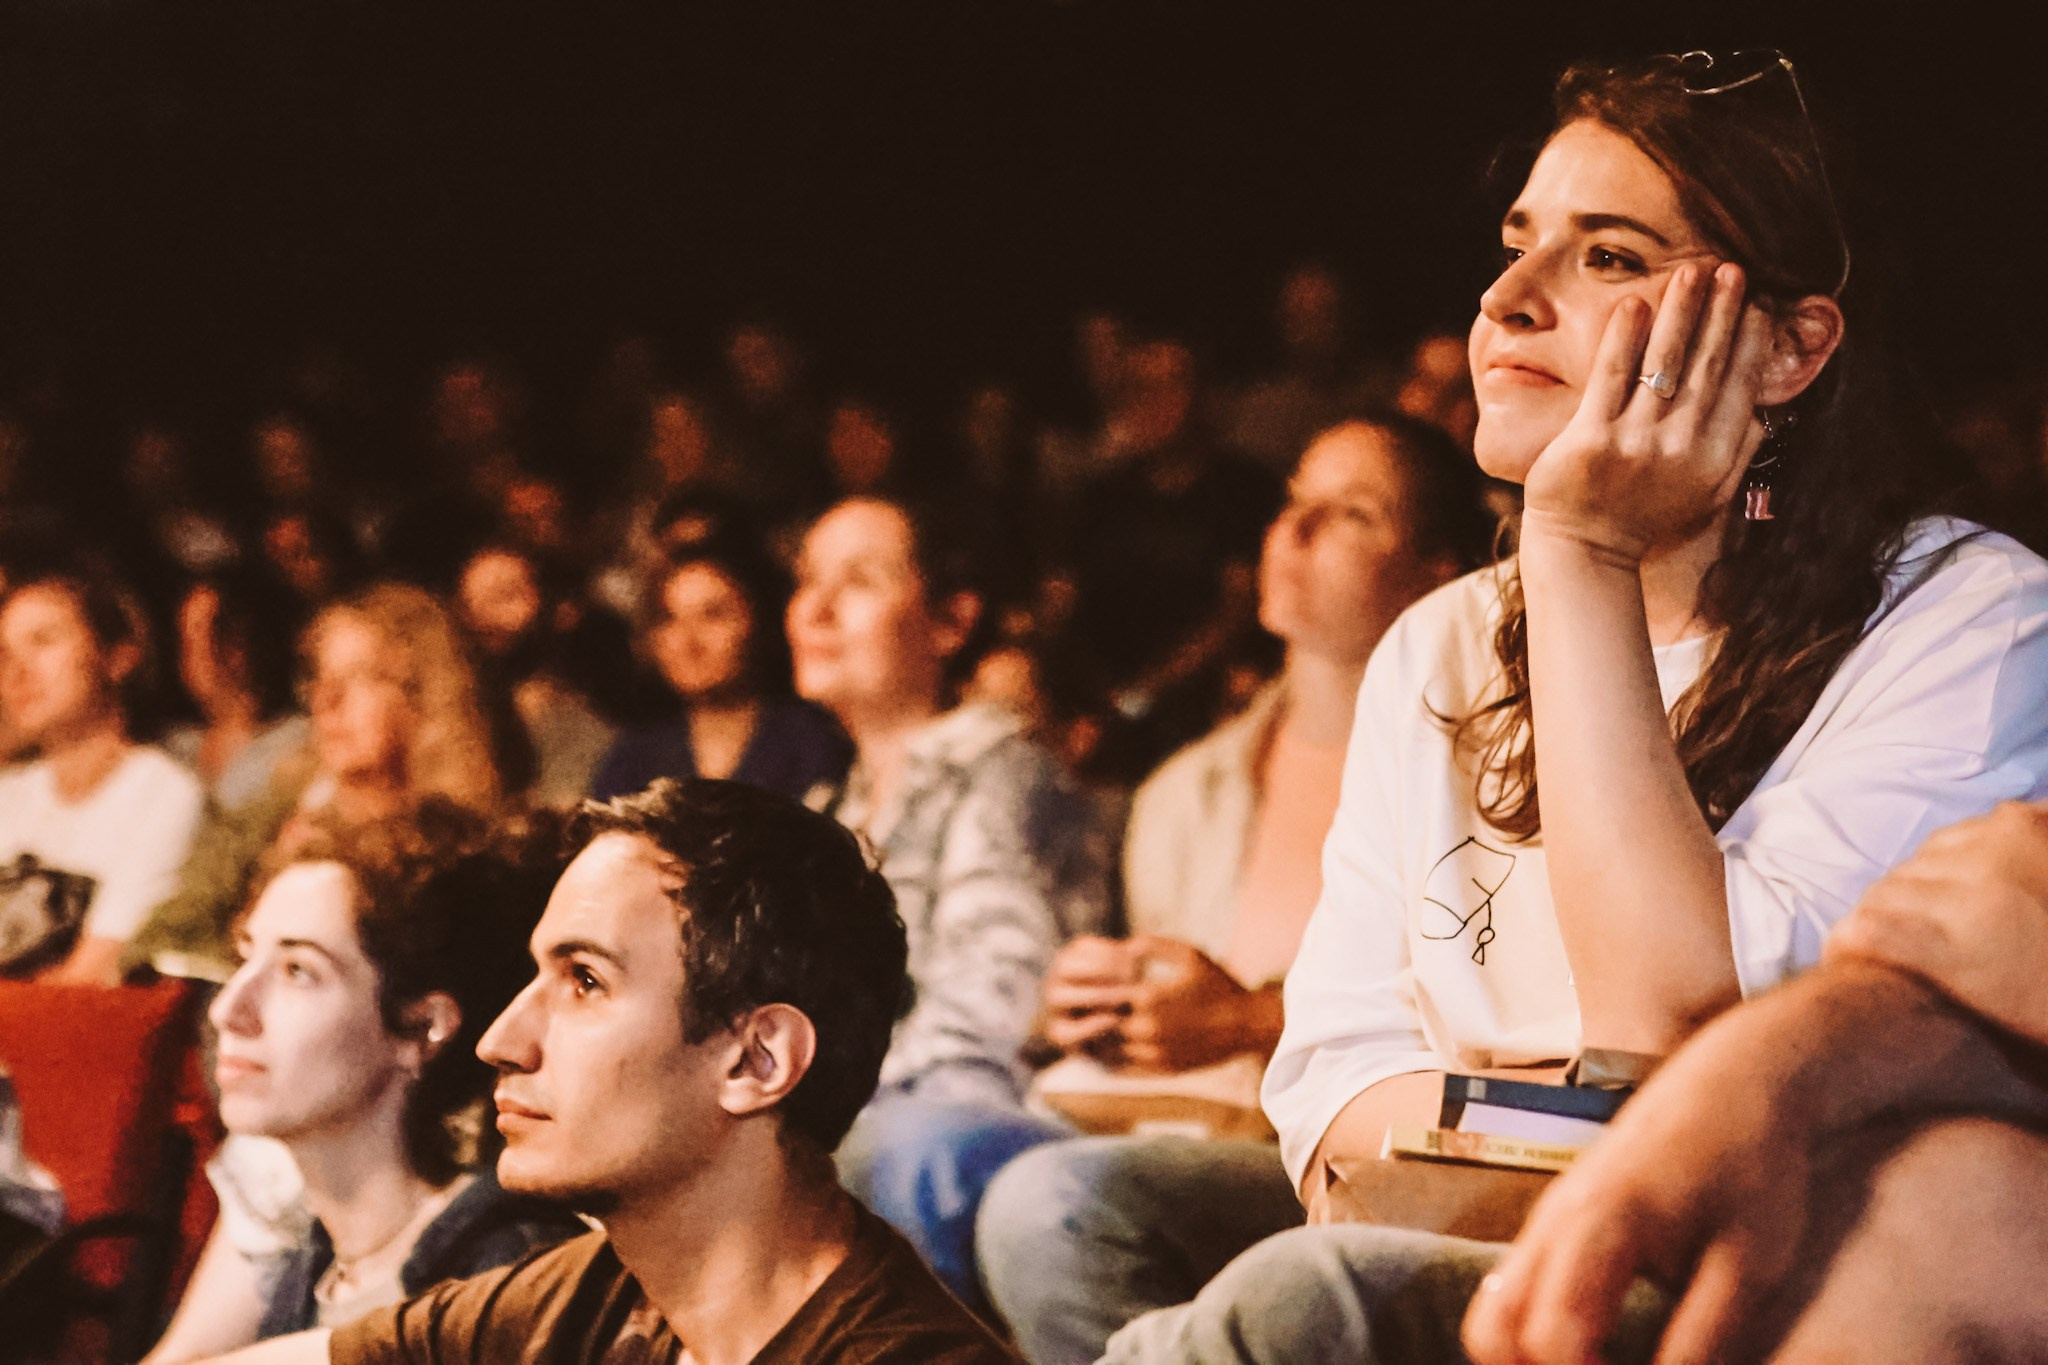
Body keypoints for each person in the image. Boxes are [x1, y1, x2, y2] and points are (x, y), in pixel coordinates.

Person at [1103, 48, 2048, 1363]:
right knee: (1070, 1203)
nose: (1505, 301)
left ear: (1786, 347)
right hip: (1458, 1207)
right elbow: (1328, 1076)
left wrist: (1579, 553)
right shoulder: (1436, 642)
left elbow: (1683, 1038)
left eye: (1606, 257)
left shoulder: (1970, 615)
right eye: (1515, 243)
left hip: (1750, 1233)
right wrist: (1535, 1113)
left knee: (1287, 1305)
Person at [976, 413, 1493, 1364]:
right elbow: (1171, 1037)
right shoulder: (1186, 789)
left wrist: (1246, 1019)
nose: (1291, 533)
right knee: (987, 1171)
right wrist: (1109, 1009)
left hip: (1384, 1163)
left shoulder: (1486, 773)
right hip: (1207, 1137)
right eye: (1292, 502)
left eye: (1350, 515)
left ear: (1439, 570)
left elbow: (1492, 1029)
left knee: (1051, 1200)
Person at [200, 778, 1019, 1364]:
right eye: (536, 975)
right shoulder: (590, 1296)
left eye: (585, 980)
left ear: (755, 1059)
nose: (503, 1040)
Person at [787, 494, 1111, 1311]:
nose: (817, 609)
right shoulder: (825, 807)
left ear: (951, 619)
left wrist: (812, 1117)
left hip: (970, 1116)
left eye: (858, 580)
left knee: (898, 1151)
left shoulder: (1001, 767)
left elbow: (993, 1006)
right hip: (860, 1110)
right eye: (806, 580)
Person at [141, 807, 583, 1362]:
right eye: (245, 957)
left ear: (422, 1027)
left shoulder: (504, 1272)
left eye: (298, 971)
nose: (229, 1010)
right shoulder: (316, 1268)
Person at [126, 582, 507, 980]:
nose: (328, 701)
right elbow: (162, 935)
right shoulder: (279, 804)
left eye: (364, 677)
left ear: (426, 698)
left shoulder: (460, 845)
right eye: (321, 677)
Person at [0, 558, 205, 982]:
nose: (17, 671)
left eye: (44, 640)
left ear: (117, 656)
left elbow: (91, 975)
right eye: (4, 652)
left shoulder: (161, 794)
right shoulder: (9, 795)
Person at [591, 536, 850, 805]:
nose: (688, 642)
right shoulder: (634, 758)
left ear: (760, 621)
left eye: (713, 615)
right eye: (670, 618)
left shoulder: (811, 742)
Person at [163, 566, 313, 813]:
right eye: (188, 635)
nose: (200, 650)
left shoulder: (298, 743)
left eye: (214, 631)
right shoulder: (172, 751)